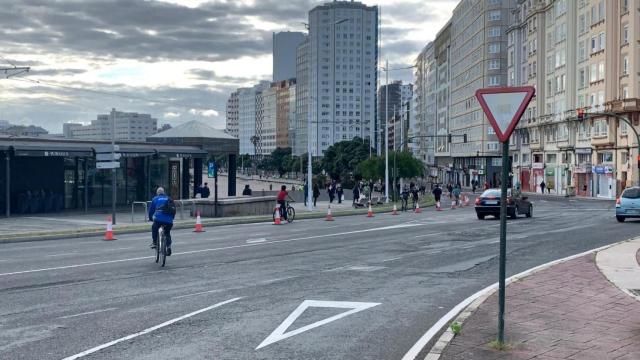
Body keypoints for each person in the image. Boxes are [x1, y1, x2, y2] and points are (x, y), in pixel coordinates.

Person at [148, 187, 175, 255]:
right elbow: (174, 210)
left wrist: (151, 218)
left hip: (158, 219)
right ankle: (168, 247)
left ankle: (154, 242)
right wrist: (172, 219)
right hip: (169, 220)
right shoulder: (169, 198)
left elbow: (151, 211)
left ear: (157, 193)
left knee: (154, 227)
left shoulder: (155, 199)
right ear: (164, 192)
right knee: (167, 232)